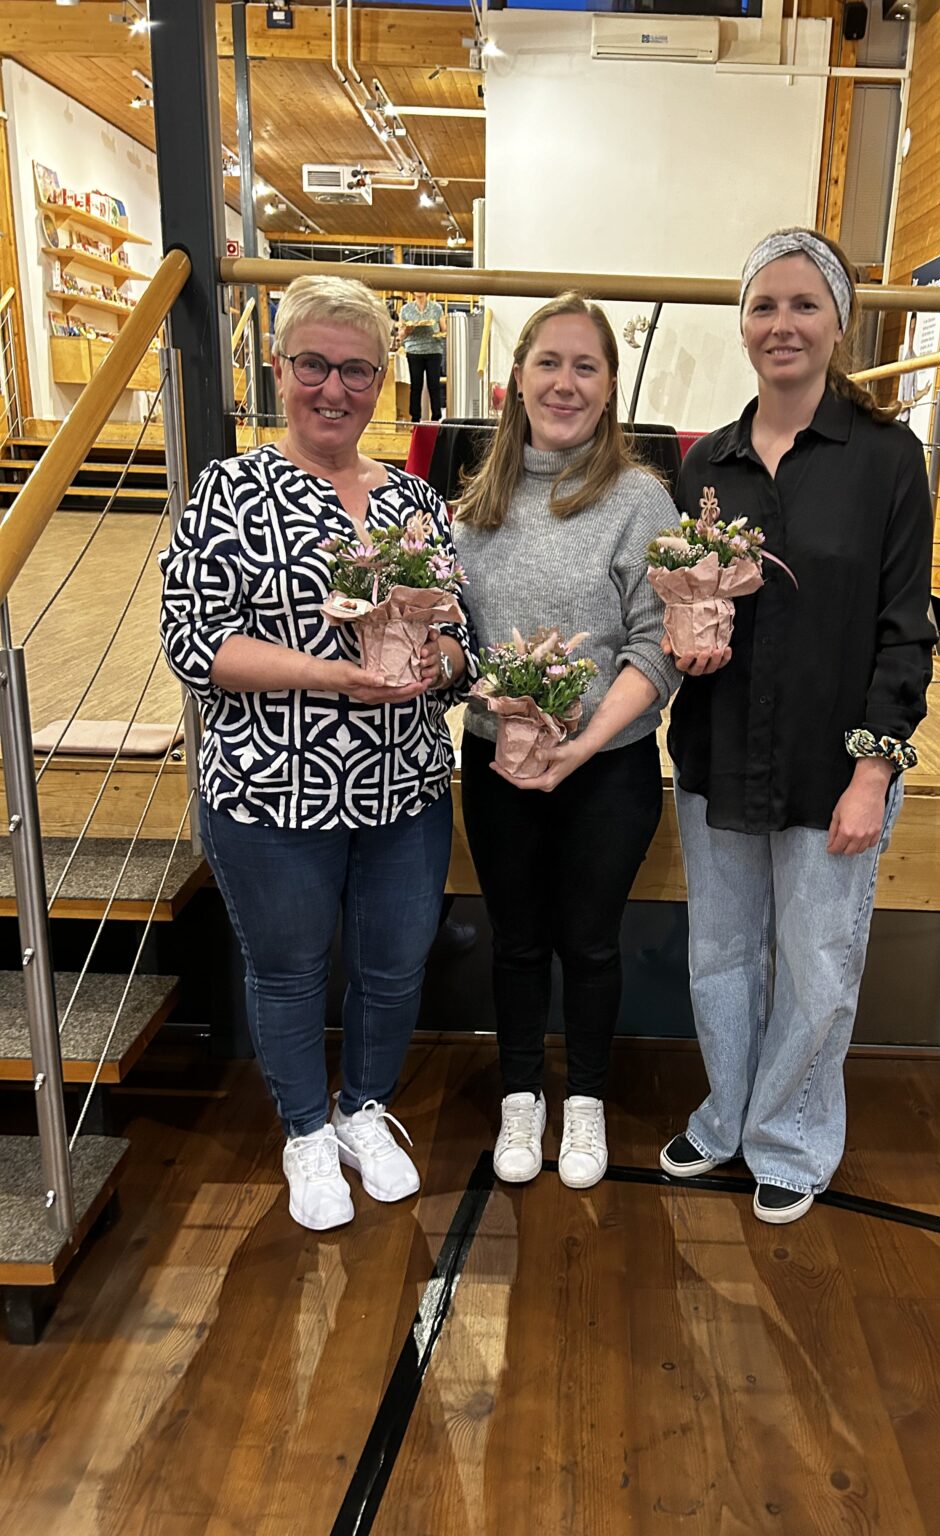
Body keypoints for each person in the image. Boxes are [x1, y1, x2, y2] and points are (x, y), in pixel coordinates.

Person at [160, 275, 476, 1232]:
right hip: (268, 791)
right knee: (290, 969)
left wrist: (441, 659)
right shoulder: (230, 488)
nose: (332, 389)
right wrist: (335, 677)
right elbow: (195, 645)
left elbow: (467, 643)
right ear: (279, 367)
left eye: (355, 370)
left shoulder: (419, 501)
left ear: (383, 379)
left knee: (392, 966)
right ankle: (305, 1130)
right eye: (313, 367)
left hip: (405, 788)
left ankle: (362, 1112)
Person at [659, 228, 935, 1225]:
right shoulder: (706, 465)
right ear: (742, 324)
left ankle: (791, 1139)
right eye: (764, 306)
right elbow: (688, 608)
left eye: (803, 304)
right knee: (719, 956)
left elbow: (906, 632)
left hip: (832, 764)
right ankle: (726, 1114)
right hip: (719, 753)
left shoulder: (888, 462)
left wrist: (875, 773)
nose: (783, 324)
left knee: (819, 968)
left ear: (838, 321)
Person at [453, 292, 680, 1191]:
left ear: (611, 386)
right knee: (514, 942)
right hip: (496, 761)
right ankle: (521, 1097)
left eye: (587, 366)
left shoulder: (639, 501)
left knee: (589, 942)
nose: (566, 382)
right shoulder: (475, 506)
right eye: (550, 362)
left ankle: (582, 1102)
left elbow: (656, 646)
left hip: (606, 767)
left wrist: (578, 745)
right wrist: (494, 705)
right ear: (517, 378)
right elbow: (452, 643)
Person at [398, 290, 446, 423]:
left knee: (434, 384)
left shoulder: (436, 308)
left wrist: (440, 334)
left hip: (433, 350)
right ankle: (415, 418)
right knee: (416, 385)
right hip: (414, 350)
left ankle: (436, 417)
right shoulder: (405, 309)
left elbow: (444, 329)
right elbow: (400, 335)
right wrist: (407, 330)